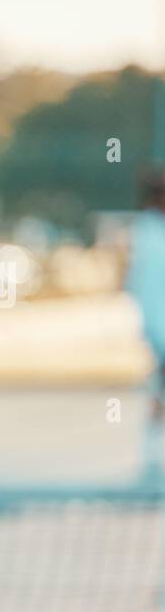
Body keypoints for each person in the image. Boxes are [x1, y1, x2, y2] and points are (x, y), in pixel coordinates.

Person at [128, 168, 165, 479]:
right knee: (158, 392)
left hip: (157, 328)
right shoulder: (149, 233)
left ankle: (151, 453)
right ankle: (150, 454)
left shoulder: (148, 231)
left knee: (158, 392)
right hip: (160, 328)